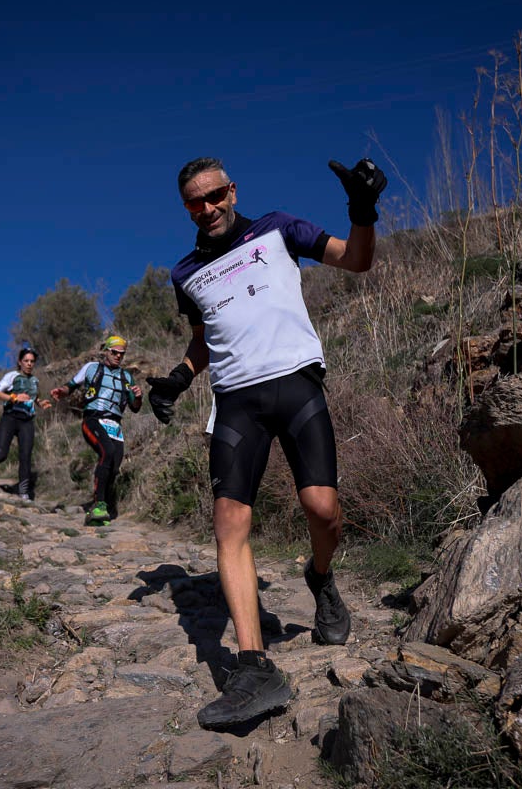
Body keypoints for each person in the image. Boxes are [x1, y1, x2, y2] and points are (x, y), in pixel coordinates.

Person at [145, 155, 386, 730]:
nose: (207, 209)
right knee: (229, 524)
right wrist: (179, 378)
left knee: (321, 508)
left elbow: (356, 261)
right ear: (186, 209)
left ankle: (321, 579)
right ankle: (255, 666)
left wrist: (361, 210)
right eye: (194, 203)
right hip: (234, 402)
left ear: (233, 190)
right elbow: (204, 340)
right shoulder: (184, 274)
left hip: (296, 384)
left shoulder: (278, 228)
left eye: (215, 195)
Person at [49, 336, 143, 525]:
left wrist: (139, 396)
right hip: (93, 419)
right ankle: (99, 504)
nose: (117, 356)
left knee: (114, 468)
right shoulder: (91, 368)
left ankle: (101, 512)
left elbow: (135, 407)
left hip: (115, 425)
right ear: (106, 351)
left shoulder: (127, 377)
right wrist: (61, 391)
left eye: (121, 354)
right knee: (106, 452)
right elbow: (72, 385)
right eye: (114, 352)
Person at [0, 348, 52, 499]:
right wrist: (13, 397)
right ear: (20, 362)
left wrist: (40, 402)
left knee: (25, 456)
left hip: (27, 421)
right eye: (26, 361)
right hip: (10, 418)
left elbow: (32, 397)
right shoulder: (12, 376)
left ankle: (24, 493)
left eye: (32, 361)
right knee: (1, 454)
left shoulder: (35, 380)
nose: (29, 364)